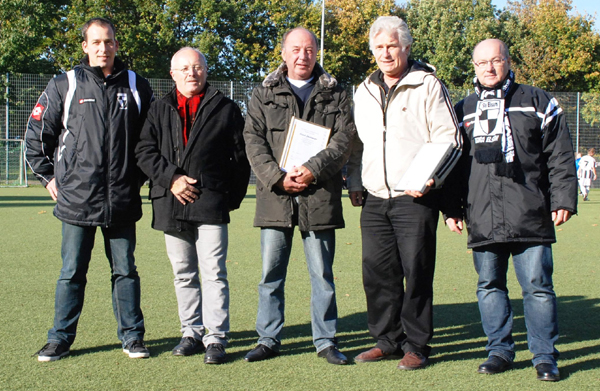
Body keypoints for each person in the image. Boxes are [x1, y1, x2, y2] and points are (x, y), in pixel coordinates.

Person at [25, 17, 154, 361]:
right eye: (96, 42)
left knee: (125, 270)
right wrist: (50, 179)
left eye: (109, 42)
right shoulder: (64, 84)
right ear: (85, 46)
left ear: (116, 45)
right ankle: (59, 340)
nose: (103, 48)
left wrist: (137, 179)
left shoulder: (137, 86)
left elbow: (149, 142)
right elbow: (36, 138)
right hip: (77, 200)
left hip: (122, 200)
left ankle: (133, 337)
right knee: (71, 273)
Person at [452, 38, 577, 381]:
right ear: (474, 66)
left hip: (529, 210)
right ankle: (500, 350)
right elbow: (454, 164)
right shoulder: (463, 108)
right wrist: (451, 208)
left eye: (496, 61)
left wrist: (564, 198)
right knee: (489, 284)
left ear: (508, 61)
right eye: (482, 63)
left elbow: (560, 155)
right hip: (482, 213)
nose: (489, 68)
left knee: (537, 285)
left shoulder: (537, 100)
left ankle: (544, 356)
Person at [345, 16, 462, 370]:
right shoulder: (364, 90)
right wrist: (355, 182)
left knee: (417, 271)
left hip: (415, 197)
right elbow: (357, 143)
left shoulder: (427, 85)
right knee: (377, 273)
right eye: (379, 47)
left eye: (392, 46)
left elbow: (451, 139)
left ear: (406, 48)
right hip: (376, 197)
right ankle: (386, 340)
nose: (385, 53)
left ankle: (417, 345)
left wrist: (432, 178)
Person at [242, 27, 355, 365]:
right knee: (270, 276)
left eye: (309, 49)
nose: (302, 55)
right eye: (295, 49)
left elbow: (343, 141)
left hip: (319, 197)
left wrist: (311, 169)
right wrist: (278, 178)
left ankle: (325, 341)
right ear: (284, 53)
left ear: (317, 52)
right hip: (276, 198)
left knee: (322, 275)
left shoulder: (337, 94)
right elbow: (253, 140)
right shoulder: (263, 94)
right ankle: (268, 339)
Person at [135, 47, 250, 364]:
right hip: (170, 203)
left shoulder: (226, 109)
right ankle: (191, 333)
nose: (191, 73)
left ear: (205, 70)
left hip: (210, 203)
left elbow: (240, 160)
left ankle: (215, 338)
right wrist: (172, 178)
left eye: (197, 67)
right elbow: (144, 152)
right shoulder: (158, 109)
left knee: (213, 273)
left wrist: (229, 199)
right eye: (184, 68)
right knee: (183, 273)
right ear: (173, 74)